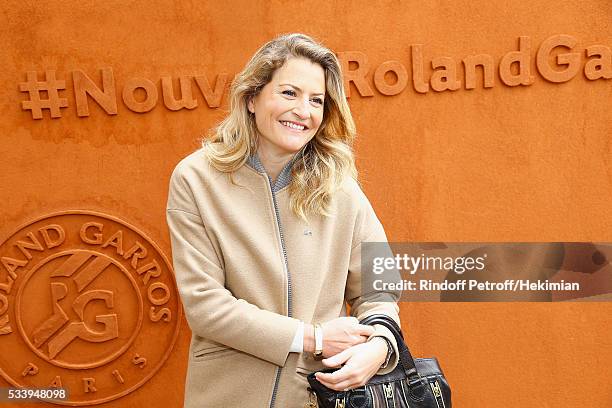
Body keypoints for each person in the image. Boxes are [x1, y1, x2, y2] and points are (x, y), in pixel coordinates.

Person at [166, 33, 401, 408]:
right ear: (251, 99)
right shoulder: (196, 179)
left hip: (318, 396)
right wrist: (314, 338)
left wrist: (380, 345)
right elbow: (206, 306)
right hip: (229, 396)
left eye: (316, 100)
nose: (303, 111)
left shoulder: (340, 187)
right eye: (289, 93)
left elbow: (379, 290)